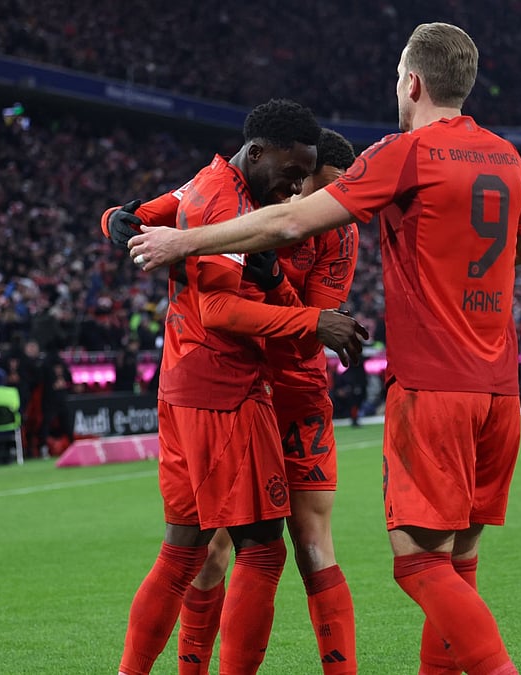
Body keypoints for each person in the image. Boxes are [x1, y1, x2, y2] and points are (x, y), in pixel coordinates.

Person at [128, 23, 521, 675]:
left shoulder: (403, 155)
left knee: (418, 563)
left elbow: (294, 222)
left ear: (412, 82)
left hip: (431, 386)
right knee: (458, 559)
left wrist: (182, 243)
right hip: (499, 386)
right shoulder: (507, 157)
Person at [114, 99, 365, 675]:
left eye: (326, 191)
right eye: (306, 184)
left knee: (305, 541)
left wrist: (282, 289)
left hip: (284, 388)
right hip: (230, 387)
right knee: (223, 552)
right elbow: (216, 297)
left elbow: (304, 341)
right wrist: (116, 222)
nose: (316, 202)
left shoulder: (335, 233)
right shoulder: (235, 199)